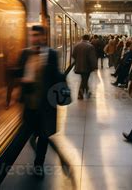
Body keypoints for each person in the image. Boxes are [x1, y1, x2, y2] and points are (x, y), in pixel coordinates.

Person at [15, 25, 65, 178]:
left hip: (46, 104)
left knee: (44, 136)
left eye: (38, 35)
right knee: (27, 133)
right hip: (29, 103)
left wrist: (61, 85)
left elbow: (56, 75)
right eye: (32, 35)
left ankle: (39, 165)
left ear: (43, 37)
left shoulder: (52, 54)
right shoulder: (24, 54)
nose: (35, 38)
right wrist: (21, 78)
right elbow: (18, 72)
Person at [73, 34, 97, 100]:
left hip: (79, 66)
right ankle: (80, 94)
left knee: (84, 79)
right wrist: (94, 66)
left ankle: (87, 91)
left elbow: (73, 55)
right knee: (84, 80)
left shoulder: (76, 45)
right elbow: (92, 58)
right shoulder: (90, 46)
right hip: (87, 67)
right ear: (88, 39)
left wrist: (78, 60)